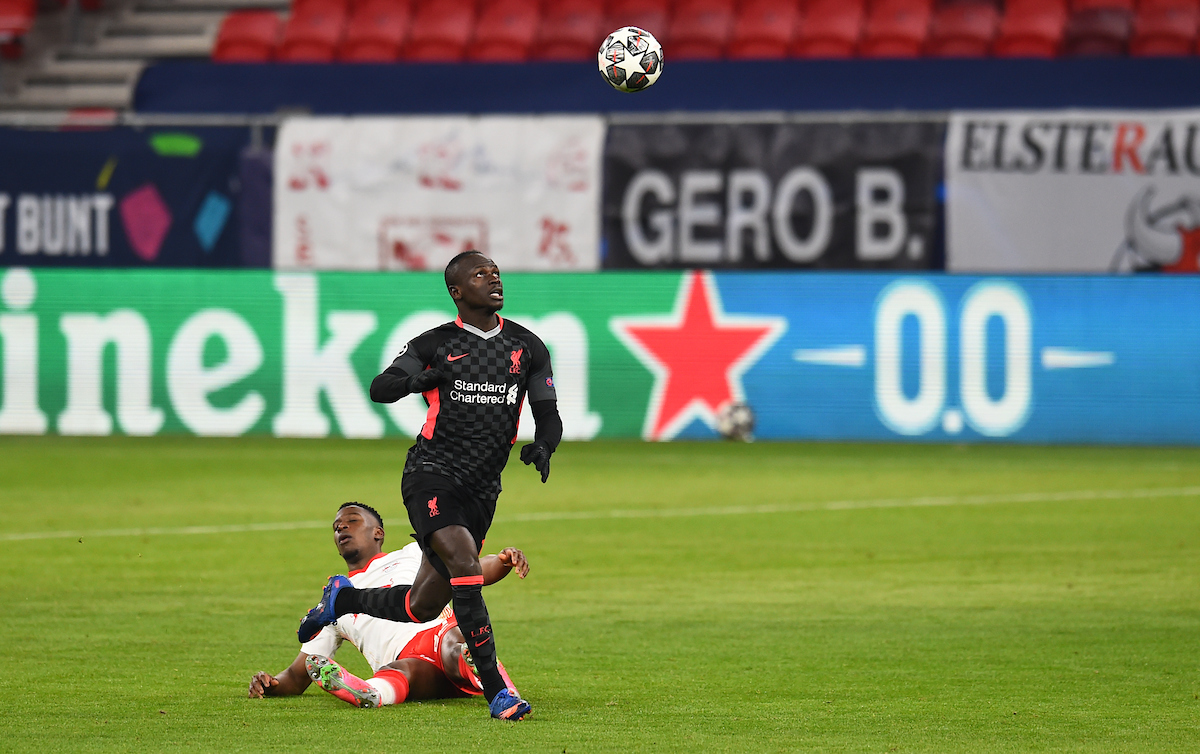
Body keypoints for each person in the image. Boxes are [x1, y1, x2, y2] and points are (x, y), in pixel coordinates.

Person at [296, 250, 561, 721]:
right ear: (457, 291)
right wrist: (419, 380)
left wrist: (545, 444)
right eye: (481, 274)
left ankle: (344, 597)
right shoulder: (435, 343)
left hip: (483, 489)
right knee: (464, 563)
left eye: (496, 271)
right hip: (432, 473)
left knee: (423, 604)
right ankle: (498, 692)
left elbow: (548, 412)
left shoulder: (528, 346)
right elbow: (381, 387)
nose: (494, 278)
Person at [249, 502, 530, 712]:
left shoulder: (414, 552)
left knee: (454, 646)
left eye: (352, 521)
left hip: (440, 635)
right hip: (412, 665)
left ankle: (501, 689)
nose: (341, 527)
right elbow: (298, 676)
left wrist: (503, 560)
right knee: (400, 671)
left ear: (378, 533)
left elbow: (470, 570)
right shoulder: (332, 601)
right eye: (336, 526)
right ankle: (370, 692)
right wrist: (271, 684)